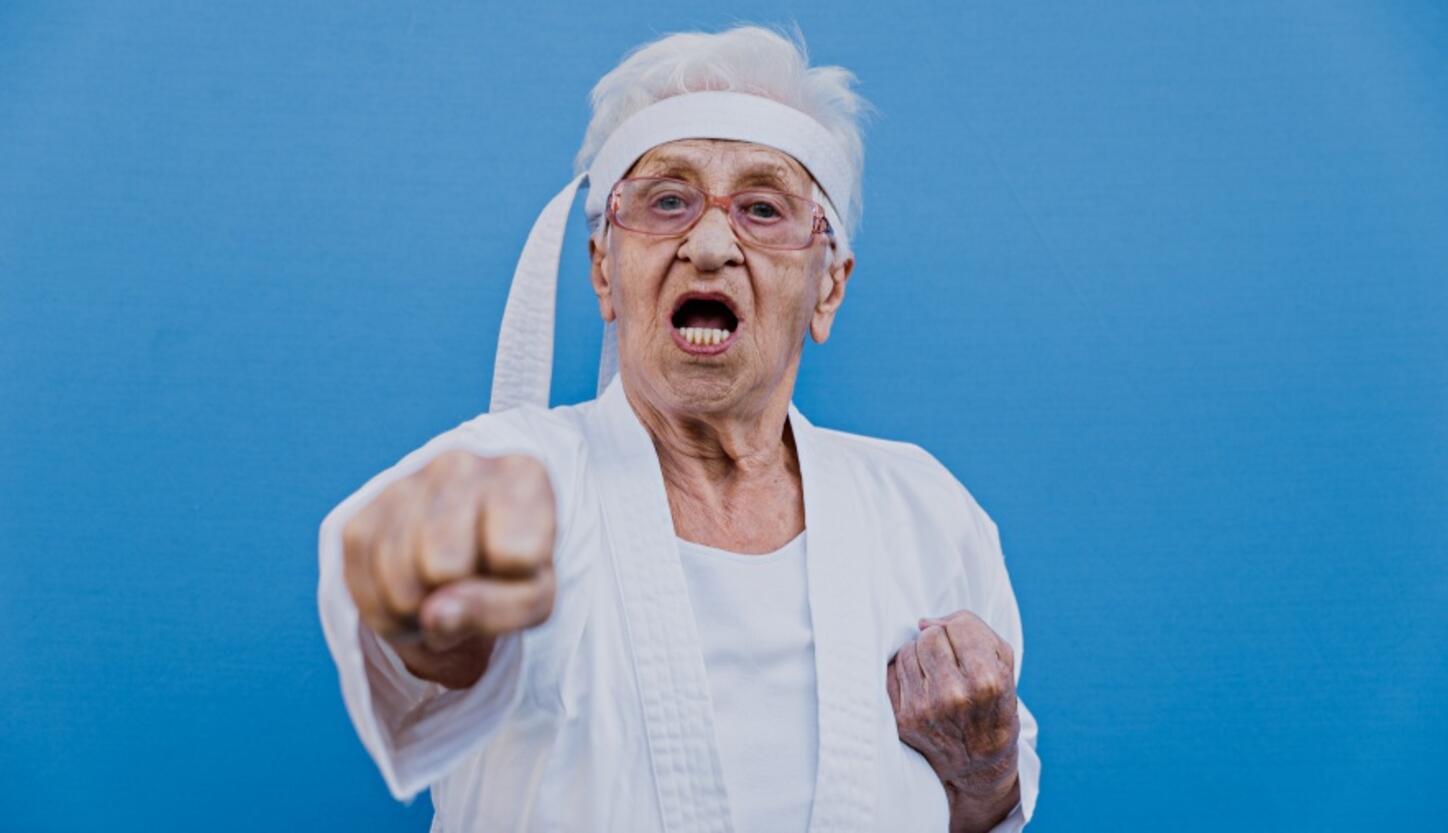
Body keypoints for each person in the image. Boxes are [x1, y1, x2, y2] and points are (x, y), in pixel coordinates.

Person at [317, 24, 1040, 833]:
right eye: (667, 201)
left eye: (764, 208)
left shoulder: (925, 511)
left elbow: (987, 811)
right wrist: (430, 601)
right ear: (603, 269)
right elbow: (415, 644)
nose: (707, 246)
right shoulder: (517, 472)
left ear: (827, 287)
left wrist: (985, 771)